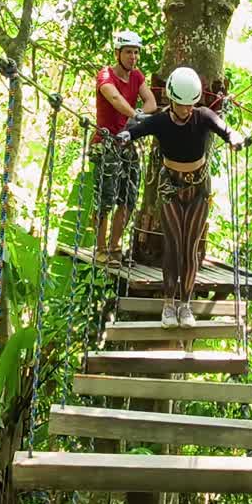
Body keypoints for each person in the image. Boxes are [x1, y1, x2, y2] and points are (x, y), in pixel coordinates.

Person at [115, 66, 244, 329]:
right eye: (181, 105)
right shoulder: (161, 121)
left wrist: (234, 137)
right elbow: (137, 130)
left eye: (190, 105)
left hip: (198, 189)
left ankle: (185, 305)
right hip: (169, 187)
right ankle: (168, 304)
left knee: (190, 247)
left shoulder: (203, 116)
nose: (186, 110)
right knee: (174, 245)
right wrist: (124, 135)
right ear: (172, 100)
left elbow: (224, 128)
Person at [92, 30, 157, 266]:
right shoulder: (105, 75)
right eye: (129, 52)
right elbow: (115, 99)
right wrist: (135, 116)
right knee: (105, 198)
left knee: (128, 197)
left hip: (127, 141)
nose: (133, 57)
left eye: (136, 52)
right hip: (106, 142)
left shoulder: (137, 77)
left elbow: (151, 102)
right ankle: (100, 248)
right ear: (118, 53)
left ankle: (115, 247)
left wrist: (137, 116)